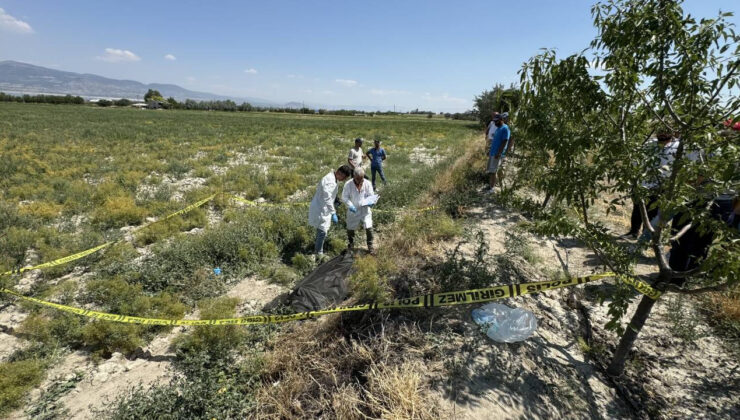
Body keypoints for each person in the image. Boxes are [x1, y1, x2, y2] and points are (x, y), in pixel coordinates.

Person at [622, 131, 679, 239]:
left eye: (665, 141)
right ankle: (634, 232)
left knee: (652, 211)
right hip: (642, 183)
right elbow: (636, 160)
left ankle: (645, 237)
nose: (662, 144)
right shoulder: (650, 144)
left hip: (659, 186)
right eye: (660, 141)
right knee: (638, 208)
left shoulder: (677, 147)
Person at [309, 165, 352, 260]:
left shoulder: (332, 178)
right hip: (321, 208)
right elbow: (327, 198)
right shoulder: (330, 181)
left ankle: (318, 249)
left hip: (323, 207)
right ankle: (318, 253)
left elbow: (330, 194)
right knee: (322, 231)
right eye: (344, 178)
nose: (344, 180)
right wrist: (333, 213)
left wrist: (336, 199)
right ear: (340, 173)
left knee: (322, 229)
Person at [341, 167, 376, 254]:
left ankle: (370, 246)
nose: (361, 181)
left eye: (362, 178)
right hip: (353, 209)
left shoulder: (367, 183)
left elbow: (371, 195)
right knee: (350, 227)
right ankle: (351, 244)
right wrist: (350, 206)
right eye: (359, 179)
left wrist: (371, 201)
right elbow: (344, 197)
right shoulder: (348, 184)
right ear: (354, 176)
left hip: (365, 209)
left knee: (369, 227)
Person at [486, 113, 511, 193]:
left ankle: (492, 188)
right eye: (494, 121)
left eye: (497, 121)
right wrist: (490, 150)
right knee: (491, 171)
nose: (495, 123)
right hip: (493, 152)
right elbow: (495, 141)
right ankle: (491, 186)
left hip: (497, 154)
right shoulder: (498, 128)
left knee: (493, 171)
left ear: (501, 120)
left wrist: (499, 153)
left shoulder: (505, 128)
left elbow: (505, 141)